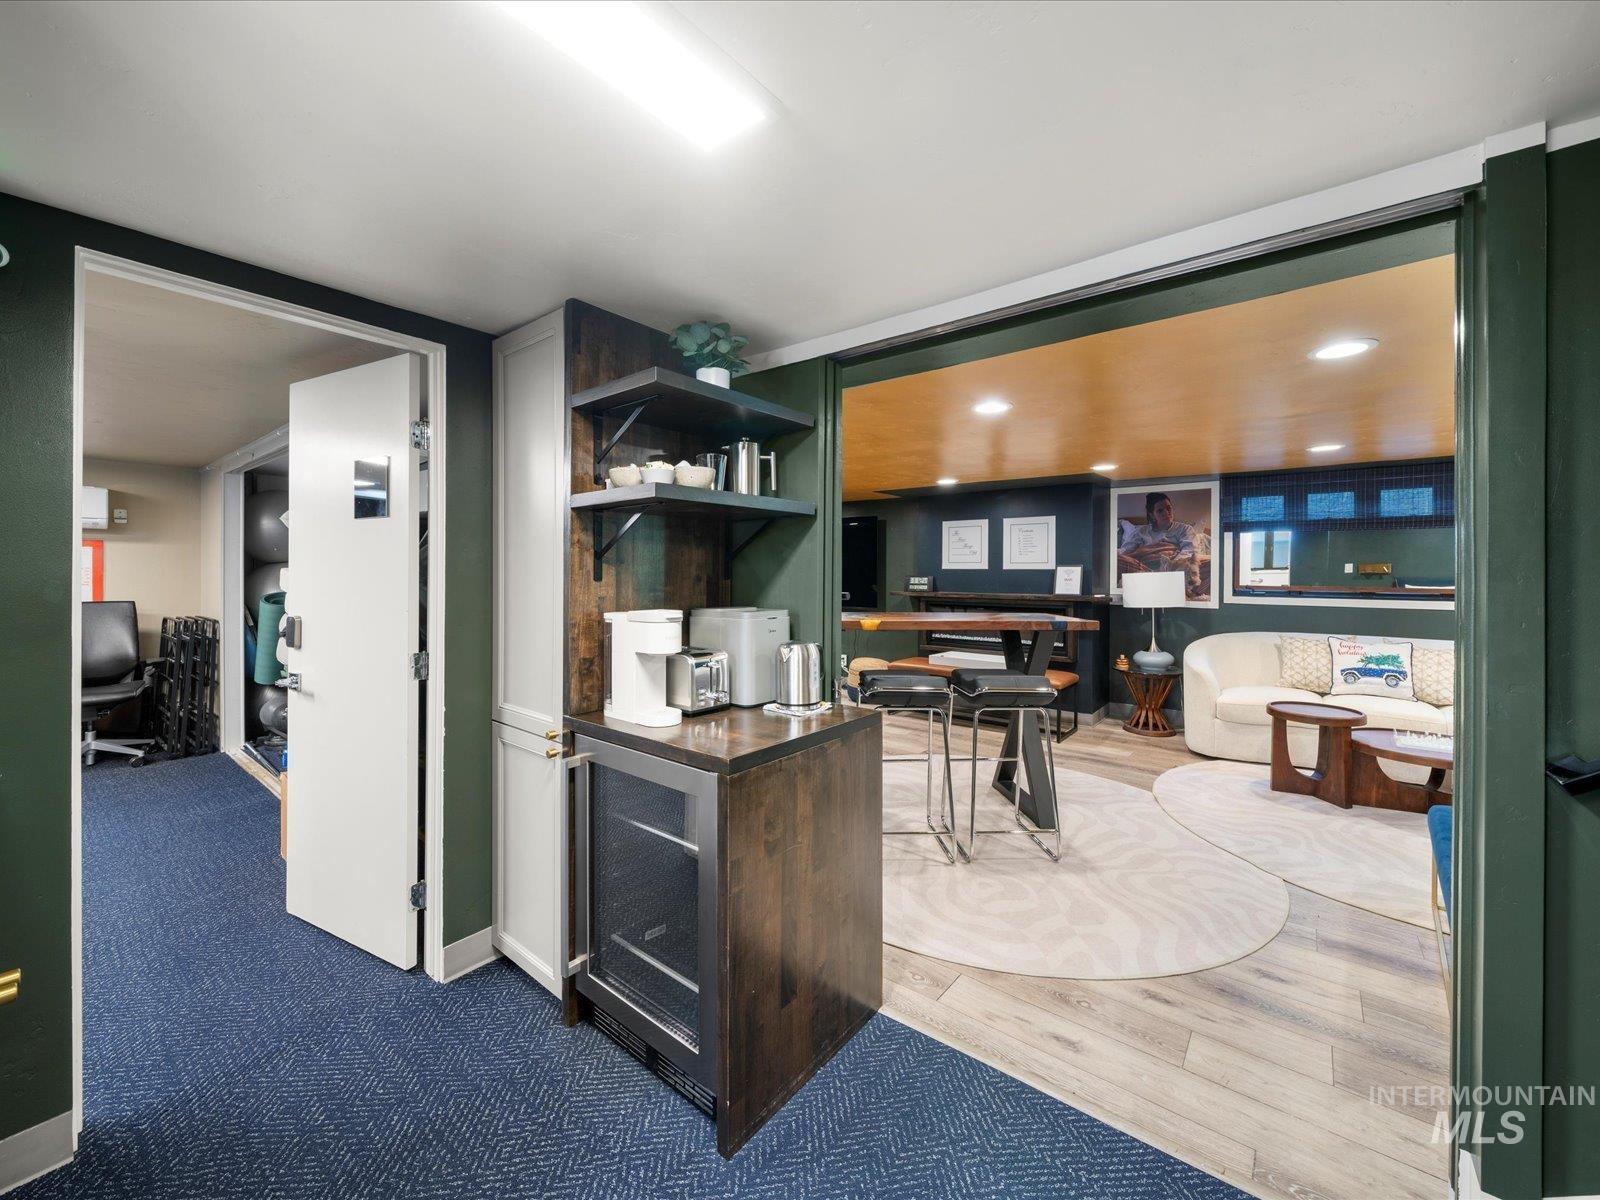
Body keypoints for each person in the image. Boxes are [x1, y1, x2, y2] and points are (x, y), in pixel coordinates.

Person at [1117, 491, 1208, 597]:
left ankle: (1172, 585)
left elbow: (1189, 552)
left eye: (1169, 508)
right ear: (1152, 514)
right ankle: (1162, 584)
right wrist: (1142, 552)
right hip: (1144, 570)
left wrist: (1170, 563)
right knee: (1115, 560)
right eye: (1160, 511)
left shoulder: (1184, 529)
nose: (1166, 512)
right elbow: (1125, 553)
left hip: (1176, 570)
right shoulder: (1140, 531)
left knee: (1213, 563)